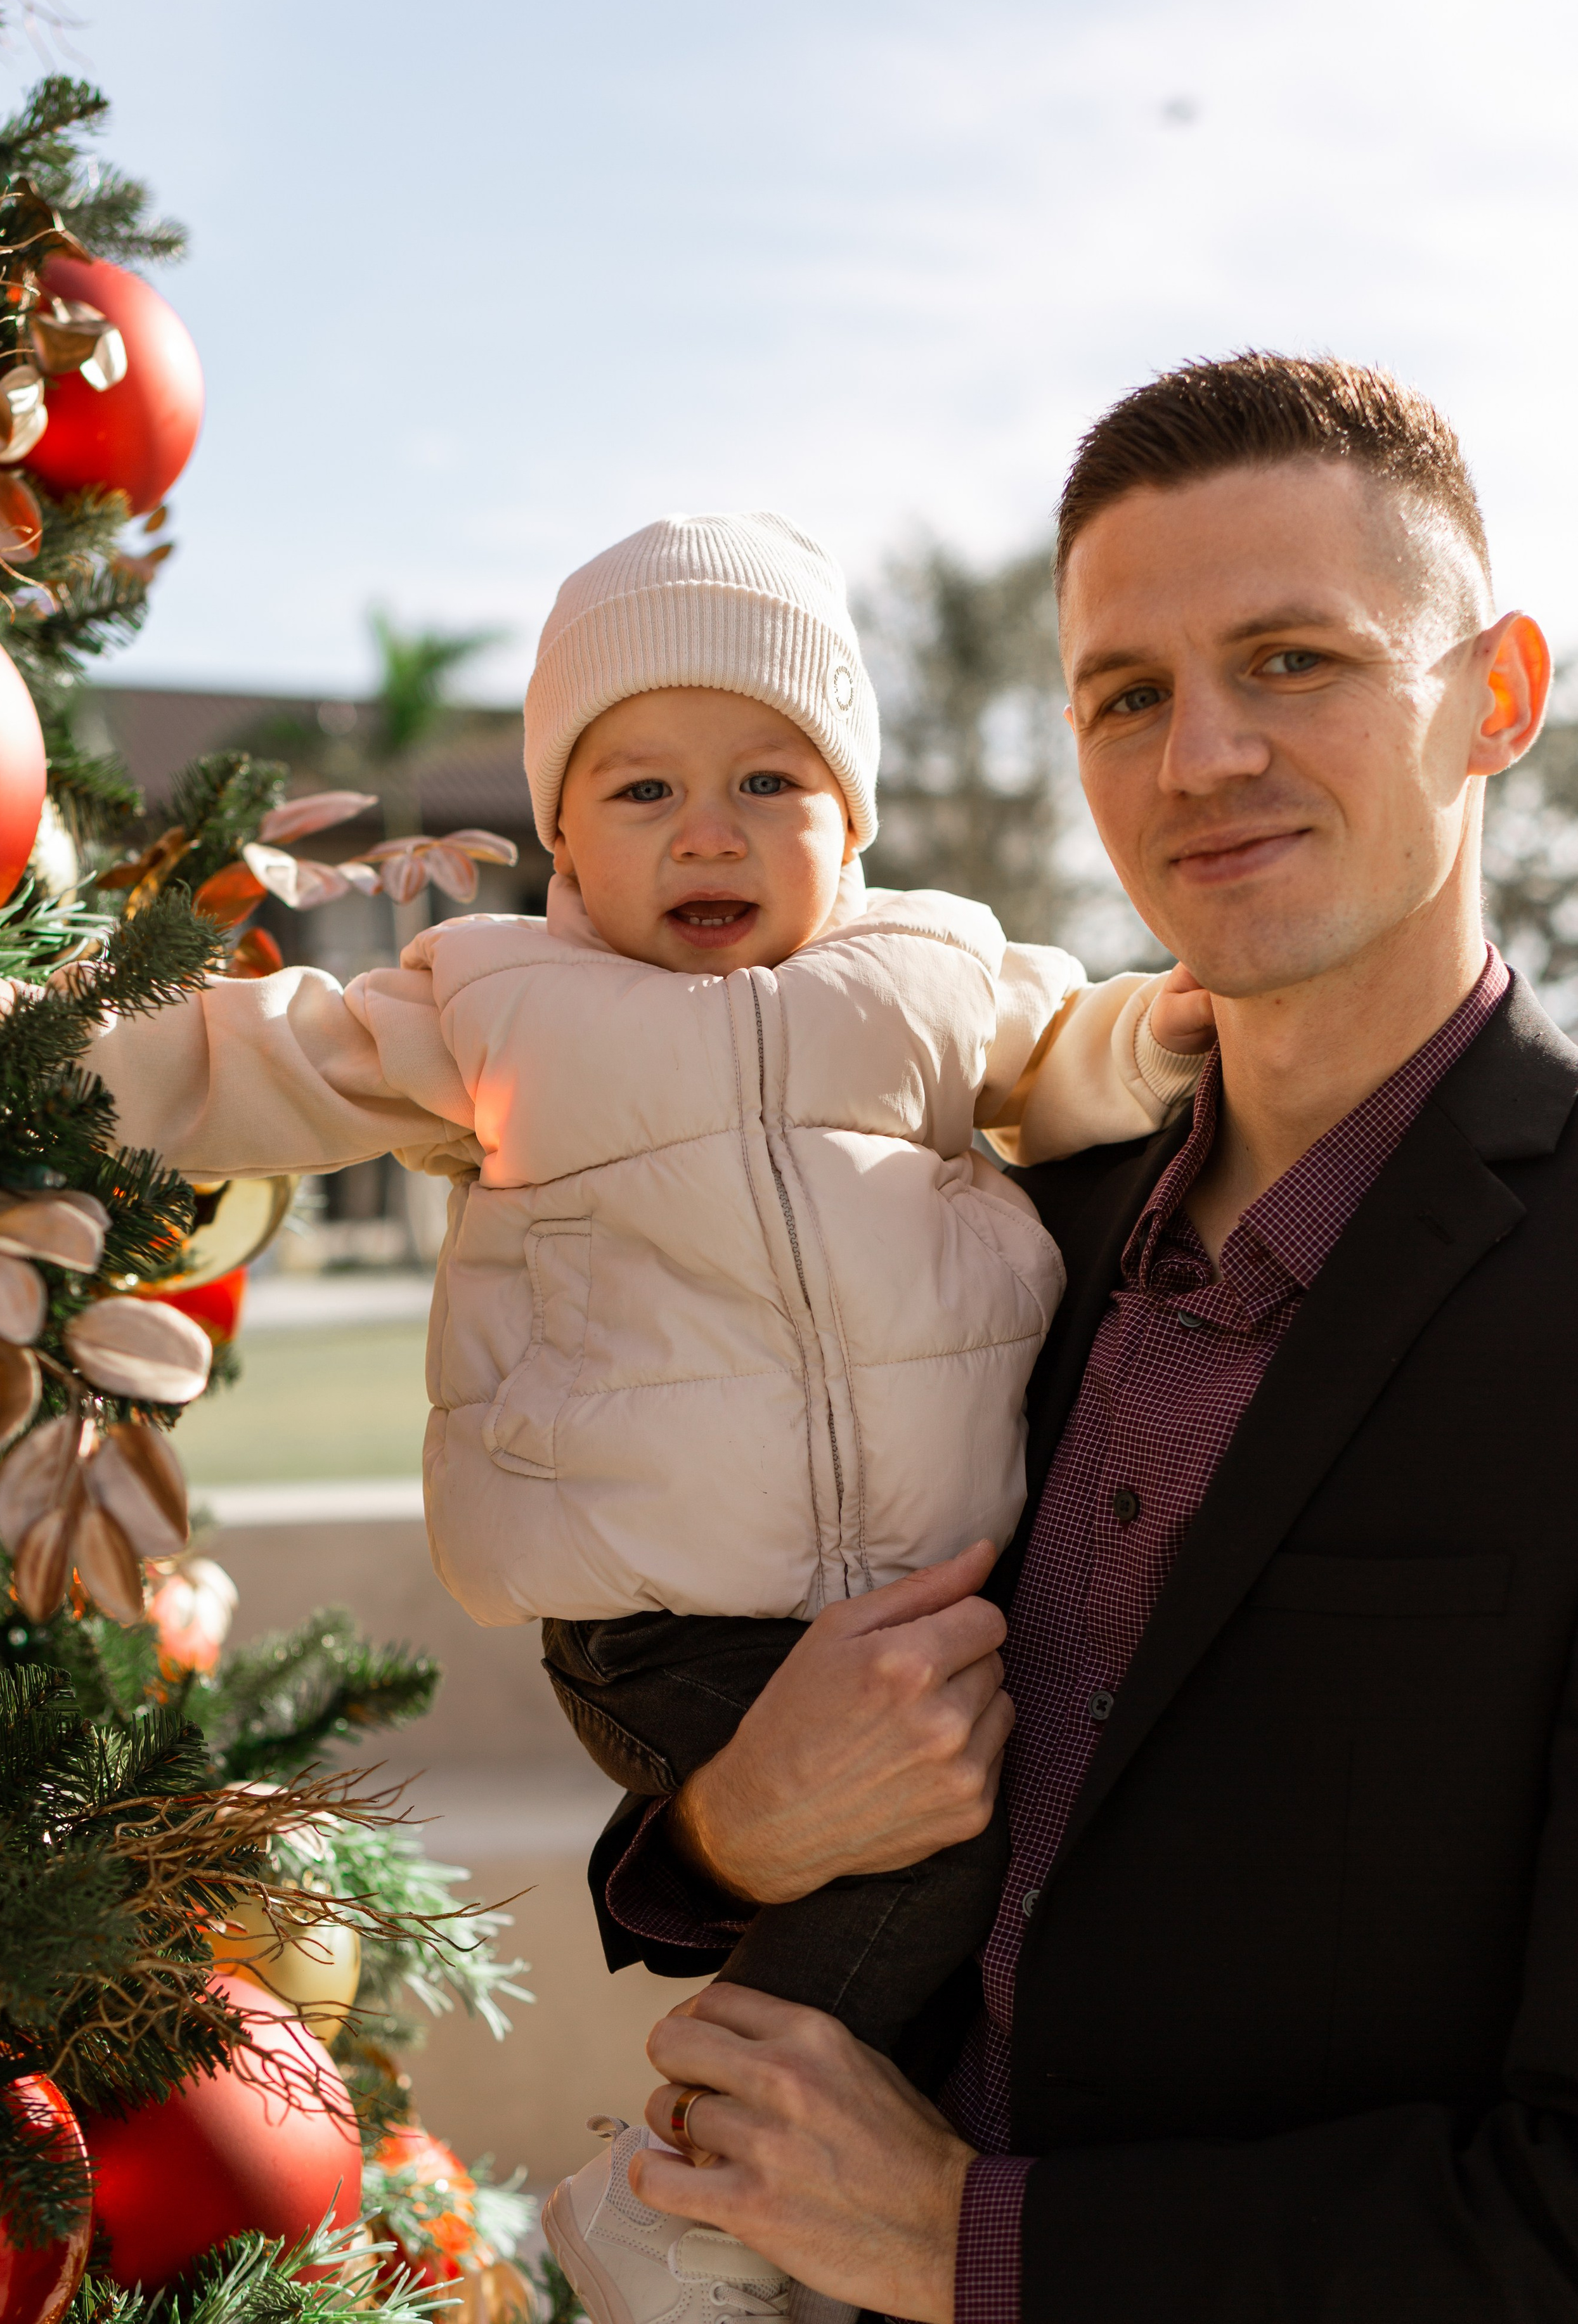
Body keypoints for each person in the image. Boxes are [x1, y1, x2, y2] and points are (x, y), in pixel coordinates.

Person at [0, 512, 1214, 2322]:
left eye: (769, 779)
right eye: (641, 791)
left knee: (988, 1874)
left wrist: (1162, 1036)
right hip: (662, 1619)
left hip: (918, 1602)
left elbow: (1070, 1052)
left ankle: (783, 2216)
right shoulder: (502, 1002)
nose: (707, 831)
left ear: (852, 819)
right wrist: (14, 1036)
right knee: (937, 1843)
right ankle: (682, 2193)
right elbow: (249, 1055)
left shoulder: (933, 974)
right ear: (562, 837)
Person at [585, 354, 1578, 2324]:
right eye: (1127, 694)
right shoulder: (1000, 1220)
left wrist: (965, 2241)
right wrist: (722, 1830)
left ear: (1496, 698)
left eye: (1292, 660)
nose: (1199, 755)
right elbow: (762, 1753)